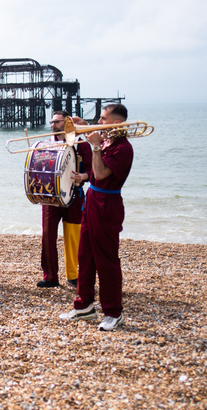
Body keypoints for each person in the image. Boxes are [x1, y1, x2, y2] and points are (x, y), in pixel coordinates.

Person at [59, 104, 134, 331]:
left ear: (116, 122)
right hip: (92, 200)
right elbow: (93, 176)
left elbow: (100, 173)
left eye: (103, 119)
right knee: (86, 256)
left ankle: (113, 313)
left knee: (107, 261)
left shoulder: (123, 148)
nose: (98, 122)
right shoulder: (106, 142)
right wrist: (82, 129)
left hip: (108, 204)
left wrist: (94, 147)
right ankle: (84, 306)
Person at [37, 112, 93, 288]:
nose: (53, 124)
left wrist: (82, 176)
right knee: (47, 237)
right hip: (50, 197)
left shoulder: (82, 145)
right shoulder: (46, 143)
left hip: (74, 195)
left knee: (73, 236)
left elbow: (92, 173)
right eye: (52, 121)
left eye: (57, 121)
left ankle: (73, 276)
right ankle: (50, 276)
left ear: (67, 122)